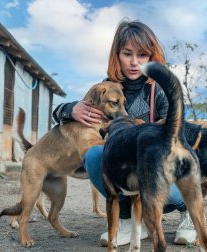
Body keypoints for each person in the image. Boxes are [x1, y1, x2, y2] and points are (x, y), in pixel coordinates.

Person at [52, 19, 196, 247]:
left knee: (172, 183)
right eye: (127, 53)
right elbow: (60, 113)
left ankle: (188, 214)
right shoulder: (106, 87)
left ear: (151, 57)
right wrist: (71, 109)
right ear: (116, 54)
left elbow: (178, 129)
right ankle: (128, 218)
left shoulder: (158, 89)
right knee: (94, 155)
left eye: (142, 55)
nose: (134, 62)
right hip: (127, 169)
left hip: (157, 169)